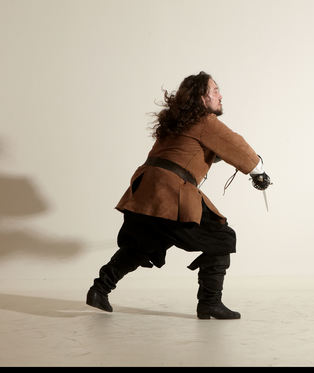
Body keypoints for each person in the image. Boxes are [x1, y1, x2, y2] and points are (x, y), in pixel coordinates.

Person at [86, 71, 271, 319]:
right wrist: (259, 172)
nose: (220, 95)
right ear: (201, 98)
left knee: (143, 243)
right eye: (214, 90)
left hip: (145, 193)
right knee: (222, 237)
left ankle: (99, 290)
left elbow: (186, 154)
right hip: (169, 192)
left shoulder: (177, 124)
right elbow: (237, 146)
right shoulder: (206, 122)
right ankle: (209, 303)